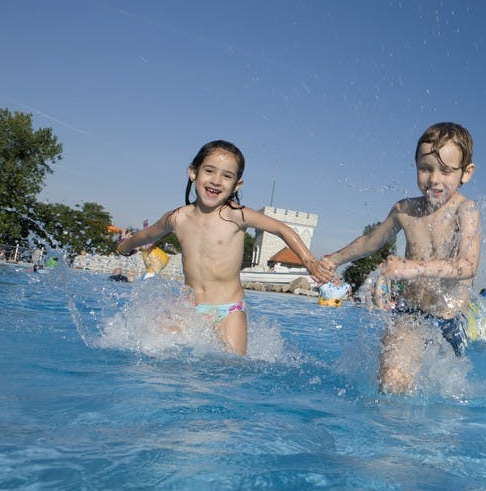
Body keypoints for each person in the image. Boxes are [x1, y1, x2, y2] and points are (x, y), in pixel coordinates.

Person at [116, 139, 330, 355]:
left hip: (229, 310)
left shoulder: (236, 215)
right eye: (209, 171)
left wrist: (309, 261)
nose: (216, 181)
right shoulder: (177, 218)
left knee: (233, 365)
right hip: (189, 309)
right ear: (193, 172)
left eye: (227, 176)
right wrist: (124, 247)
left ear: (236, 185)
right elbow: (147, 235)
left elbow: (282, 229)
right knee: (154, 352)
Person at [320, 122, 480, 394]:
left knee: (446, 399)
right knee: (392, 382)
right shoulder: (405, 210)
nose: (434, 179)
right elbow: (371, 242)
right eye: (425, 168)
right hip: (411, 313)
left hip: (451, 320)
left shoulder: (466, 211)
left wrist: (411, 268)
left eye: (446, 171)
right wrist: (333, 260)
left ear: (466, 172)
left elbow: (467, 265)